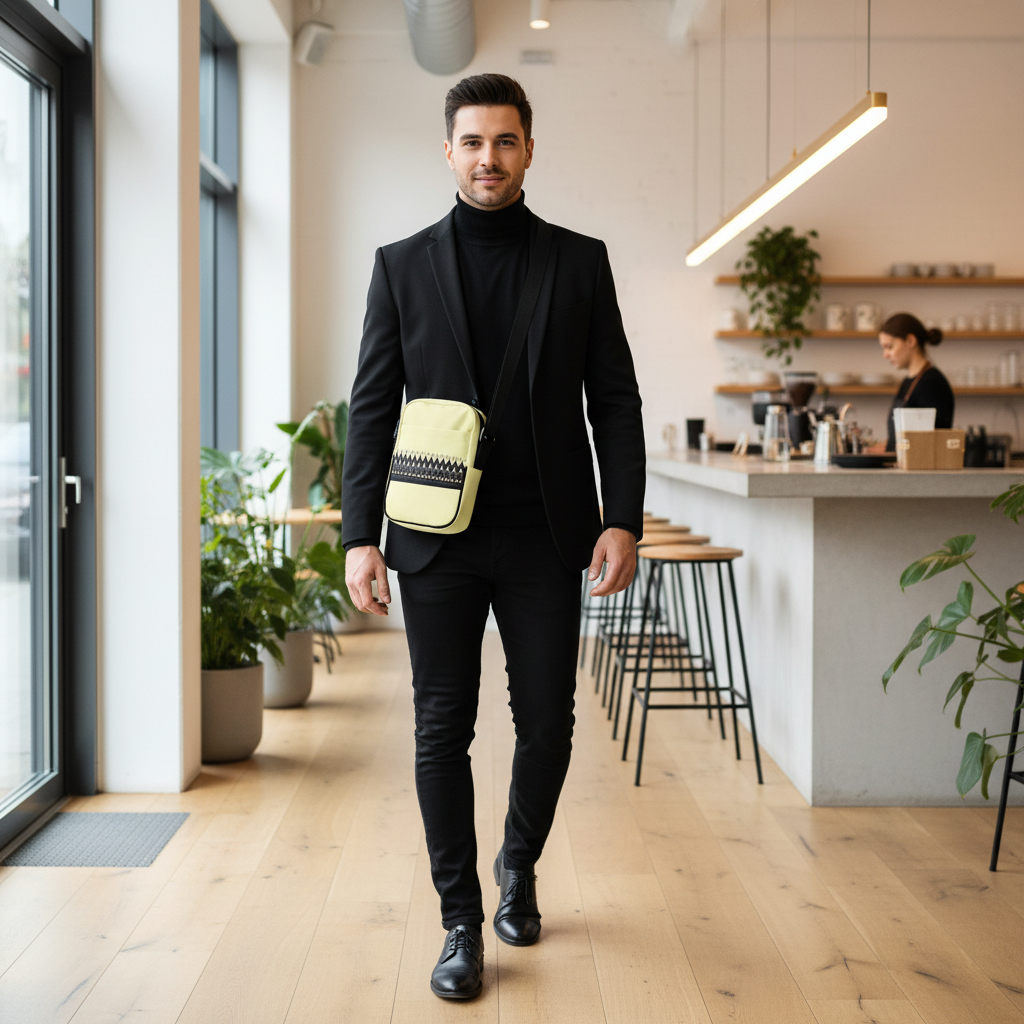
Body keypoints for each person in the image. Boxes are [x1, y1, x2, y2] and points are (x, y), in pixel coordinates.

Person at [341, 74, 645, 1001]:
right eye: (471, 142)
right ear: (447, 151)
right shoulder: (402, 265)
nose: (488, 158)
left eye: (504, 141)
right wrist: (360, 535)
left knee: (546, 724)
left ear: (528, 149)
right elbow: (369, 408)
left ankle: (518, 867)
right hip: (435, 537)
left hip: (548, 536)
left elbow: (616, 403)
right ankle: (461, 922)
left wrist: (622, 519)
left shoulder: (580, 262)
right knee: (442, 728)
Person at [878, 312, 954, 451]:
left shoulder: (933, 384)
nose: (885, 355)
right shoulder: (908, 381)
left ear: (910, 341)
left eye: (890, 347)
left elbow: (930, 444)